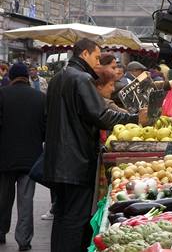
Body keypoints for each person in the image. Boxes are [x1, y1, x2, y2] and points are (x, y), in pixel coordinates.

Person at [43, 38, 147, 252]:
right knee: (75, 218)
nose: (98, 62)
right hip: (76, 161)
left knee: (62, 216)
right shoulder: (81, 78)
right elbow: (100, 115)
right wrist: (135, 119)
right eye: (97, 57)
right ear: (85, 54)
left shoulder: (56, 79)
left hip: (56, 160)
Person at [0, 63, 46, 251]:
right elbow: (46, 129)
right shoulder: (40, 97)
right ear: (28, 77)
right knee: (26, 201)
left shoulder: (2, 94)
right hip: (31, 158)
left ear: (11, 77)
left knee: (3, 198)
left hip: (4, 158)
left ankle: (1, 231)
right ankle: (24, 240)